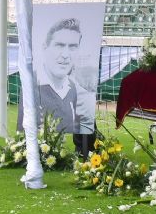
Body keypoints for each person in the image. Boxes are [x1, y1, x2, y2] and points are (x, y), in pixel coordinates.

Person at [18, 17, 97, 159]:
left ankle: (83, 149)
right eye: (59, 45)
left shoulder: (77, 90)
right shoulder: (31, 86)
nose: (66, 55)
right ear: (45, 48)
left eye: (73, 47)